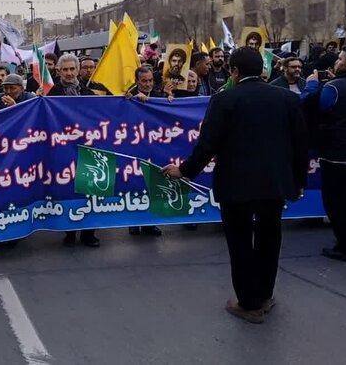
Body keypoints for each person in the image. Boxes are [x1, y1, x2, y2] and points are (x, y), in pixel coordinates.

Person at [162, 48, 307, 323]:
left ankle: (248, 303)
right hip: (274, 184)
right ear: (263, 71)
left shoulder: (224, 100)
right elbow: (300, 144)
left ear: (234, 71)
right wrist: (298, 182)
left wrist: (185, 170)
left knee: (240, 242)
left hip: (235, 184)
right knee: (270, 238)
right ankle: (265, 294)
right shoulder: (287, 99)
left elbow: (208, 144)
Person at [302, 45, 346, 263]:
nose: (336, 62)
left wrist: (313, 84)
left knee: (336, 203)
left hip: (338, 154)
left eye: (340, 59)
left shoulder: (335, 88)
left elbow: (310, 106)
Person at [45, 54, 100, 247]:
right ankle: (69, 231)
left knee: (90, 189)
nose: (69, 73)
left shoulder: (89, 94)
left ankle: (88, 233)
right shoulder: (50, 95)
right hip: (63, 150)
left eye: (72, 69)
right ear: (58, 71)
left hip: (87, 149)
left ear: (77, 70)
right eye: (65, 70)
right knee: (67, 190)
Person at [125, 66, 168, 237]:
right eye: (144, 81)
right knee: (136, 185)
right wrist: (133, 100)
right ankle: (134, 222)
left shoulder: (159, 97)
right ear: (137, 81)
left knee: (154, 184)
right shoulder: (128, 96)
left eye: (150, 80)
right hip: (135, 147)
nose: (148, 84)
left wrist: (170, 101)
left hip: (156, 147)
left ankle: (151, 224)